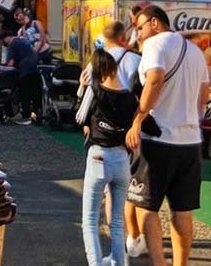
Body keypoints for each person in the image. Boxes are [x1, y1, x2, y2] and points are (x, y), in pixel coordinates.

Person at [126, 5, 209, 266]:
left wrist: (139, 117)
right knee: (182, 210)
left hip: (159, 140)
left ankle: (160, 263)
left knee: (145, 206)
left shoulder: (155, 44)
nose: (138, 34)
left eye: (140, 27)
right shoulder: (195, 51)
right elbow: (204, 93)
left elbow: (154, 79)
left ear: (154, 23)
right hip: (191, 140)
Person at [80, 48, 138, 266]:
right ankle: (118, 263)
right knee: (116, 221)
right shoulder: (130, 97)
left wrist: (82, 88)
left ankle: (96, 264)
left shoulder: (95, 91)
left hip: (98, 157)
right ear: (115, 68)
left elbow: (79, 118)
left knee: (90, 221)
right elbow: (150, 126)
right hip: (122, 159)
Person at [2, 31, 40, 126]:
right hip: (35, 69)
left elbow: (10, 63)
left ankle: (26, 116)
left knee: (24, 94)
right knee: (35, 93)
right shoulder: (23, 41)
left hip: (24, 70)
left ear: (6, 38)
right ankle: (37, 115)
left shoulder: (12, 44)